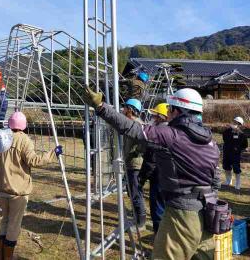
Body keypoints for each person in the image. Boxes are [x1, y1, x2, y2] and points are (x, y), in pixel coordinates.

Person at [83, 87, 220, 259]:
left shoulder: (170, 135)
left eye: (169, 109)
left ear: (178, 111)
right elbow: (216, 181)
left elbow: (131, 128)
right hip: (208, 213)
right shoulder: (211, 143)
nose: (168, 114)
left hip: (182, 215)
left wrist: (101, 106)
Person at [0, 111, 63, 260]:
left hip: (0, 187)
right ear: (23, 126)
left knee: (5, 220)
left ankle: (1, 255)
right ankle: (8, 257)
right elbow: (33, 161)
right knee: (14, 225)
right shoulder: (23, 140)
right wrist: (53, 154)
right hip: (16, 190)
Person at [138, 103, 168, 234]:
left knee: (158, 211)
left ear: (161, 117)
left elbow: (151, 161)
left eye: (155, 116)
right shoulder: (175, 131)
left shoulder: (157, 134)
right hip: (172, 179)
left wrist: (141, 179)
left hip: (159, 178)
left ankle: (159, 242)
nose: (152, 118)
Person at [122, 98, 147, 228]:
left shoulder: (136, 124)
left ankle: (140, 222)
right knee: (132, 191)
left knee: (136, 192)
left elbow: (144, 144)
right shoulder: (131, 123)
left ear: (130, 110)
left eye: (125, 107)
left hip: (135, 164)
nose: (123, 109)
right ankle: (137, 216)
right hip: (131, 163)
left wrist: (136, 152)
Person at [222, 116, 248, 190]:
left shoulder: (242, 134)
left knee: (236, 168)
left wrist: (238, 149)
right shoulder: (227, 131)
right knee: (226, 167)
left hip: (235, 154)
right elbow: (224, 139)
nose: (235, 124)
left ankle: (238, 183)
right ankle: (228, 181)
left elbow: (245, 145)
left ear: (240, 125)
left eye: (237, 123)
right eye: (234, 122)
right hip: (227, 151)